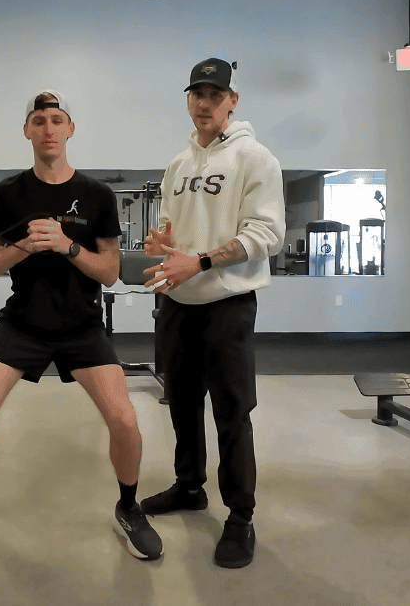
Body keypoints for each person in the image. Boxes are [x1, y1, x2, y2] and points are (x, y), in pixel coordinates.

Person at [0, 90, 163, 561]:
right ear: (27, 131)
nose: (48, 128)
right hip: (22, 325)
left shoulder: (97, 196)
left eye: (57, 120)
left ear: (70, 130)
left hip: (82, 327)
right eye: (39, 121)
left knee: (124, 420)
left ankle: (128, 506)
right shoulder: (7, 194)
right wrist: (26, 246)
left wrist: (66, 246)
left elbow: (110, 272)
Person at [140, 58, 286, 569]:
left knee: (231, 413)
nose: (203, 102)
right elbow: (171, 228)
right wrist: (162, 243)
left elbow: (267, 236)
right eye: (195, 93)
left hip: (227, 306)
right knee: (180, 402)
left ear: (232, 101)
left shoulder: (256, 158)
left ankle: (240, 517)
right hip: (177, 303)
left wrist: (199, 260)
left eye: (214, 93)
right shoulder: (178, 164)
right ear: (188, 100)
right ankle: (189, 486)